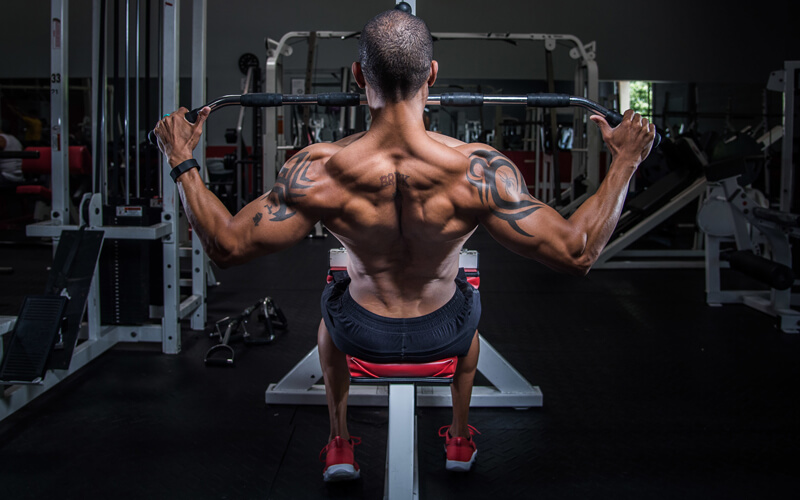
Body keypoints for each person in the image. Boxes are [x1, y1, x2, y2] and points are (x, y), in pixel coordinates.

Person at [154, 9, 654, 483]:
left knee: (333, 297)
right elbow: (577, 252)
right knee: (467, 287)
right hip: (447, 332)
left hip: (358, 332)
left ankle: (339, 440)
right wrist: (625, 161)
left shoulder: (319, 171)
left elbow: (225, 245)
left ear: (358, 75)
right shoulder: (479, 170)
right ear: (432, 74)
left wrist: (181, 157)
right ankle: (459, 435)